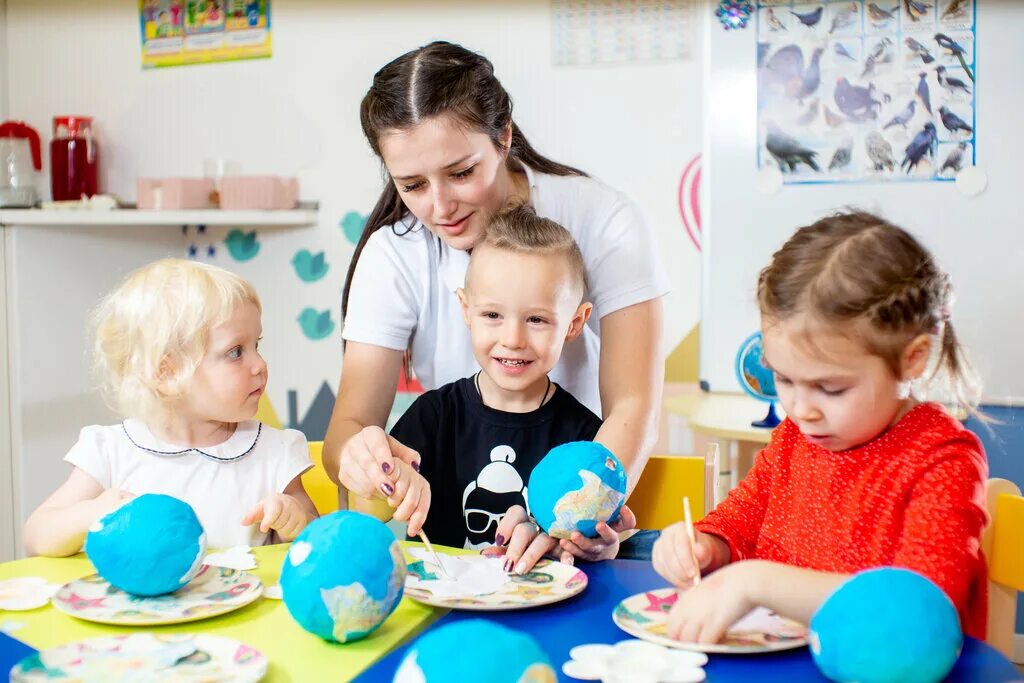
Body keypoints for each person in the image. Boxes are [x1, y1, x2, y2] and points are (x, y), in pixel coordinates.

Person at [326, 41, 668, 565]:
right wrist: (363, 460)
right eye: (412, 185)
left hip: (584, 535)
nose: (439, 208)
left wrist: (564, 516)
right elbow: (347, 433)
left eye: (461, 173)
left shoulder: (606, 220)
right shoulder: (394, 252)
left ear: (503, 135)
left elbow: (632, 405)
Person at [652, 211, 989, 642]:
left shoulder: (943, 458)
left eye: (830, 388)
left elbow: (919, 609)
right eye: (784, 379)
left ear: (913, 357)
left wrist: (755, 582)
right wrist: (702, 546)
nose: (801, 409)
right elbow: (738, 524)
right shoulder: (795, 437)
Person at [378, 206, 623, 573]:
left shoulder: (585, 440)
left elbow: (596, 546)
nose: (512, 339)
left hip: (544, 613)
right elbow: (372, 505)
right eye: (493, 315)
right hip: (445, 611)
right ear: (466, 309)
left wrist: (599, 547)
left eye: (537, 320)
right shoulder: (432, 418)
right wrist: (384, 478)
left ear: (574, 323)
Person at [24, 259, 318, 556]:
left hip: (245, 603)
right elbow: (37, 535)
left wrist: (293, 519)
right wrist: (93, 512)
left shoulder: (273, 451)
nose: (260, 365)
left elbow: (315, 540)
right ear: (167, 374)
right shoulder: (112, 452)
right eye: (236, 352)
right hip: (141, 604)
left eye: (258, 345)